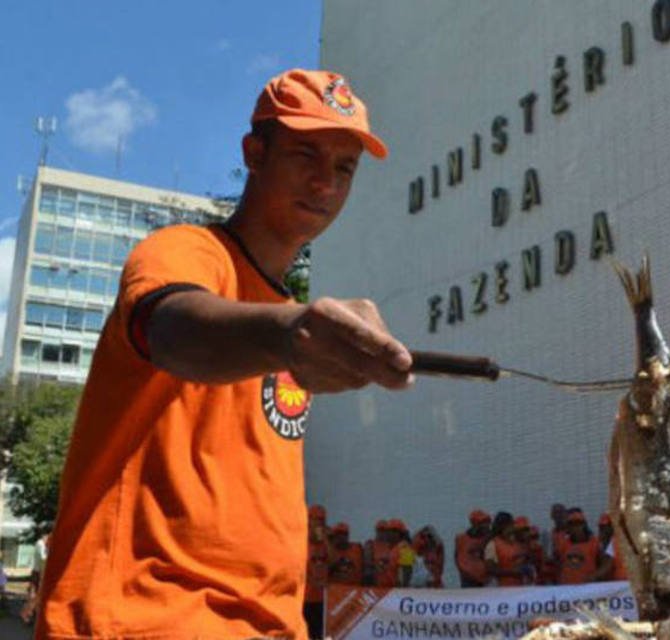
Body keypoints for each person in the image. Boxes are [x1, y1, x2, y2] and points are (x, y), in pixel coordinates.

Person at [35, 68, 412, 640]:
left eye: (344, 168)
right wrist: (288, 335)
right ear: (254, 153)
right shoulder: (187, 252)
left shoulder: (286, 308)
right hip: (146, 616)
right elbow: (175, 328)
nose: (325, 184)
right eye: (305, 155)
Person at [556, 509, 609, 584]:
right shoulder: (562, 543)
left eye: (578, 523)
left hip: (587, 589)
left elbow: (603, 565)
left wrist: (594, 576)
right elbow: (558, 565)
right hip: (567, 588)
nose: (575, 527)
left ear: (584, 525)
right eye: (572, 524)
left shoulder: (594, 543)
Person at [484, 512, 534, 586]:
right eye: (511, 524)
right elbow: (491, 569)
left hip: (520, 585)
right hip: (503, 587)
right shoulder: (492, 544)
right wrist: (514, 572)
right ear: (504, 526)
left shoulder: (515, 542)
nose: (513, 526)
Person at [304, 504, 328, 639]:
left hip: (322, 599)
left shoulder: (324, 544)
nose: (320, 523)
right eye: (317, 520)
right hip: (305, 598)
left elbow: (334, 560)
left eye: (322, 520)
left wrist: (325, 540)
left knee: (319, 634)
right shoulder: (302, 541)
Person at [455, 510, 491, 587]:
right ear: (475, 524)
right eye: (483, 523)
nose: (486, 525)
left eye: (487, 523)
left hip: (485, 579)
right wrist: (464, 572)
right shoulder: (461, 539)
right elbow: (457, 557)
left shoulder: (488, 538)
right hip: (468, 579)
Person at [366, 520, 394, 587]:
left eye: (384, 530)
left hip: (391, 585)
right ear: (376, 531)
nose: (382, 533)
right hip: (375, 585)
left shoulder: (393, 546)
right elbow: (367, 565)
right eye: (380, 530)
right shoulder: (370, 545)